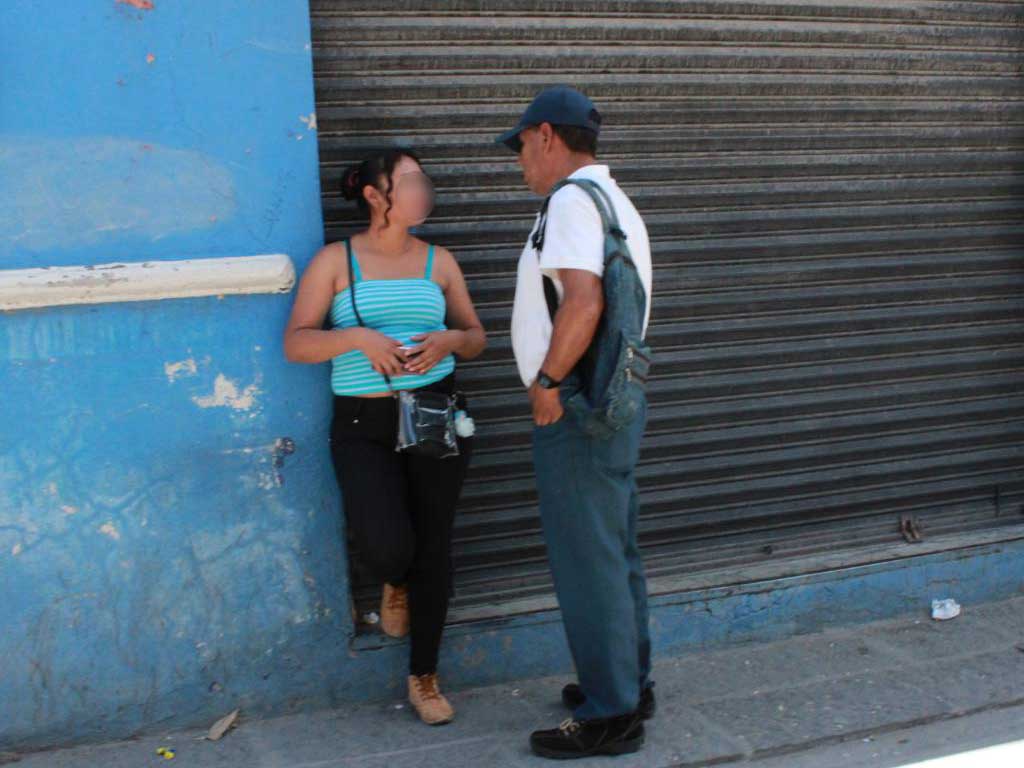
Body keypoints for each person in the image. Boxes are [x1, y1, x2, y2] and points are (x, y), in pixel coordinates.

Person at [282, 149, 486, 725]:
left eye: (424, 180)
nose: (423, 190)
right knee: (385, 544)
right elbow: (296, 343)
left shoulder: (439, 261)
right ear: (375, 195)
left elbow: (476, 336)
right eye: (410, 181)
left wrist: (449, 341)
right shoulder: (336, 261)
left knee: (434, 545)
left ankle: (424, 675)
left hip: (434, 412)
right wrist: (358, 339)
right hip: (361, 423)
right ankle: (393, 579)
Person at [497, 85, 655, 759]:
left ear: (546, 136)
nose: (519, 162)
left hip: (578, 406)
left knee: (587, 561)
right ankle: (627, 685)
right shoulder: (614, 200)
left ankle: (610, 715)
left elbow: (583, 301)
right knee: (613, 551)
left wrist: (548, 383)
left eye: (521, 147)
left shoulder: (568, 201)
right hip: (614, 403)